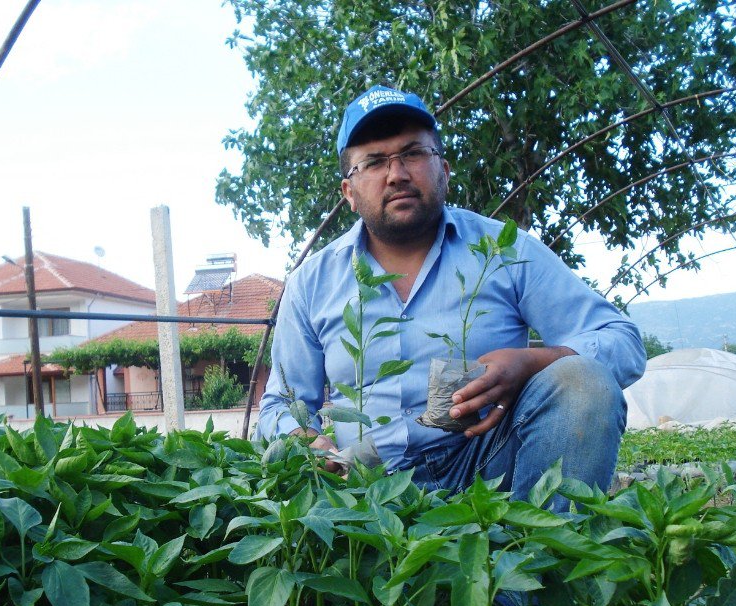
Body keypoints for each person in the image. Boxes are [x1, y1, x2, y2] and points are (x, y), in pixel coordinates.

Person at [257, 83, 645, 514]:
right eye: (373, 162)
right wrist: (308, 443)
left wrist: (532, 363)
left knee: (583, 382)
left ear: (443, 169)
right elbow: (280, 404)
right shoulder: (313, 281)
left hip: (489, 461)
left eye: (413, 154)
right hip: (366, 482)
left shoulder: (504, 250)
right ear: (349, 192)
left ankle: (540, 562)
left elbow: (621, 340)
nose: (397, 173)